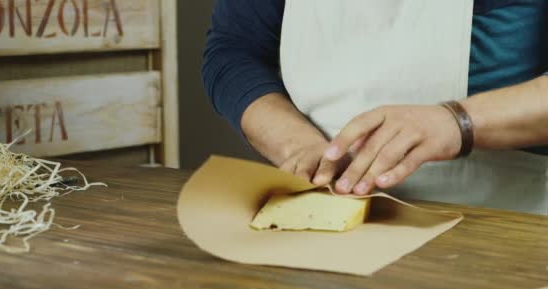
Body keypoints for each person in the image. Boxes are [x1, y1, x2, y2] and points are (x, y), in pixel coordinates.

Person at [202, 0, 548, 215]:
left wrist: (460, 122)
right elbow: (234, 51)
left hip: (508, 223)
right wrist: (299, 146)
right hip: (329, 216)